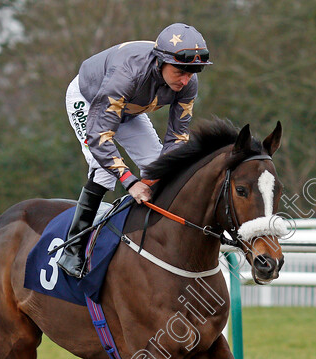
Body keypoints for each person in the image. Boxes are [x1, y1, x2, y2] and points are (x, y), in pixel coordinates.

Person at [58, 22, 213, 278]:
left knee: (157, 165)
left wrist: (153, 177)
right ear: (161, 61)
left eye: (193, 71)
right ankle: (73, 248)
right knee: (104, 170)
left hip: (129, 108)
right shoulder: (127, 73)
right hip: (89, 100)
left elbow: (177, 138)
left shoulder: (188, 83)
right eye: (180, 71)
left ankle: (151, 239)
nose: (186, 79)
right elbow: (100, 136)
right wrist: (131, 182)